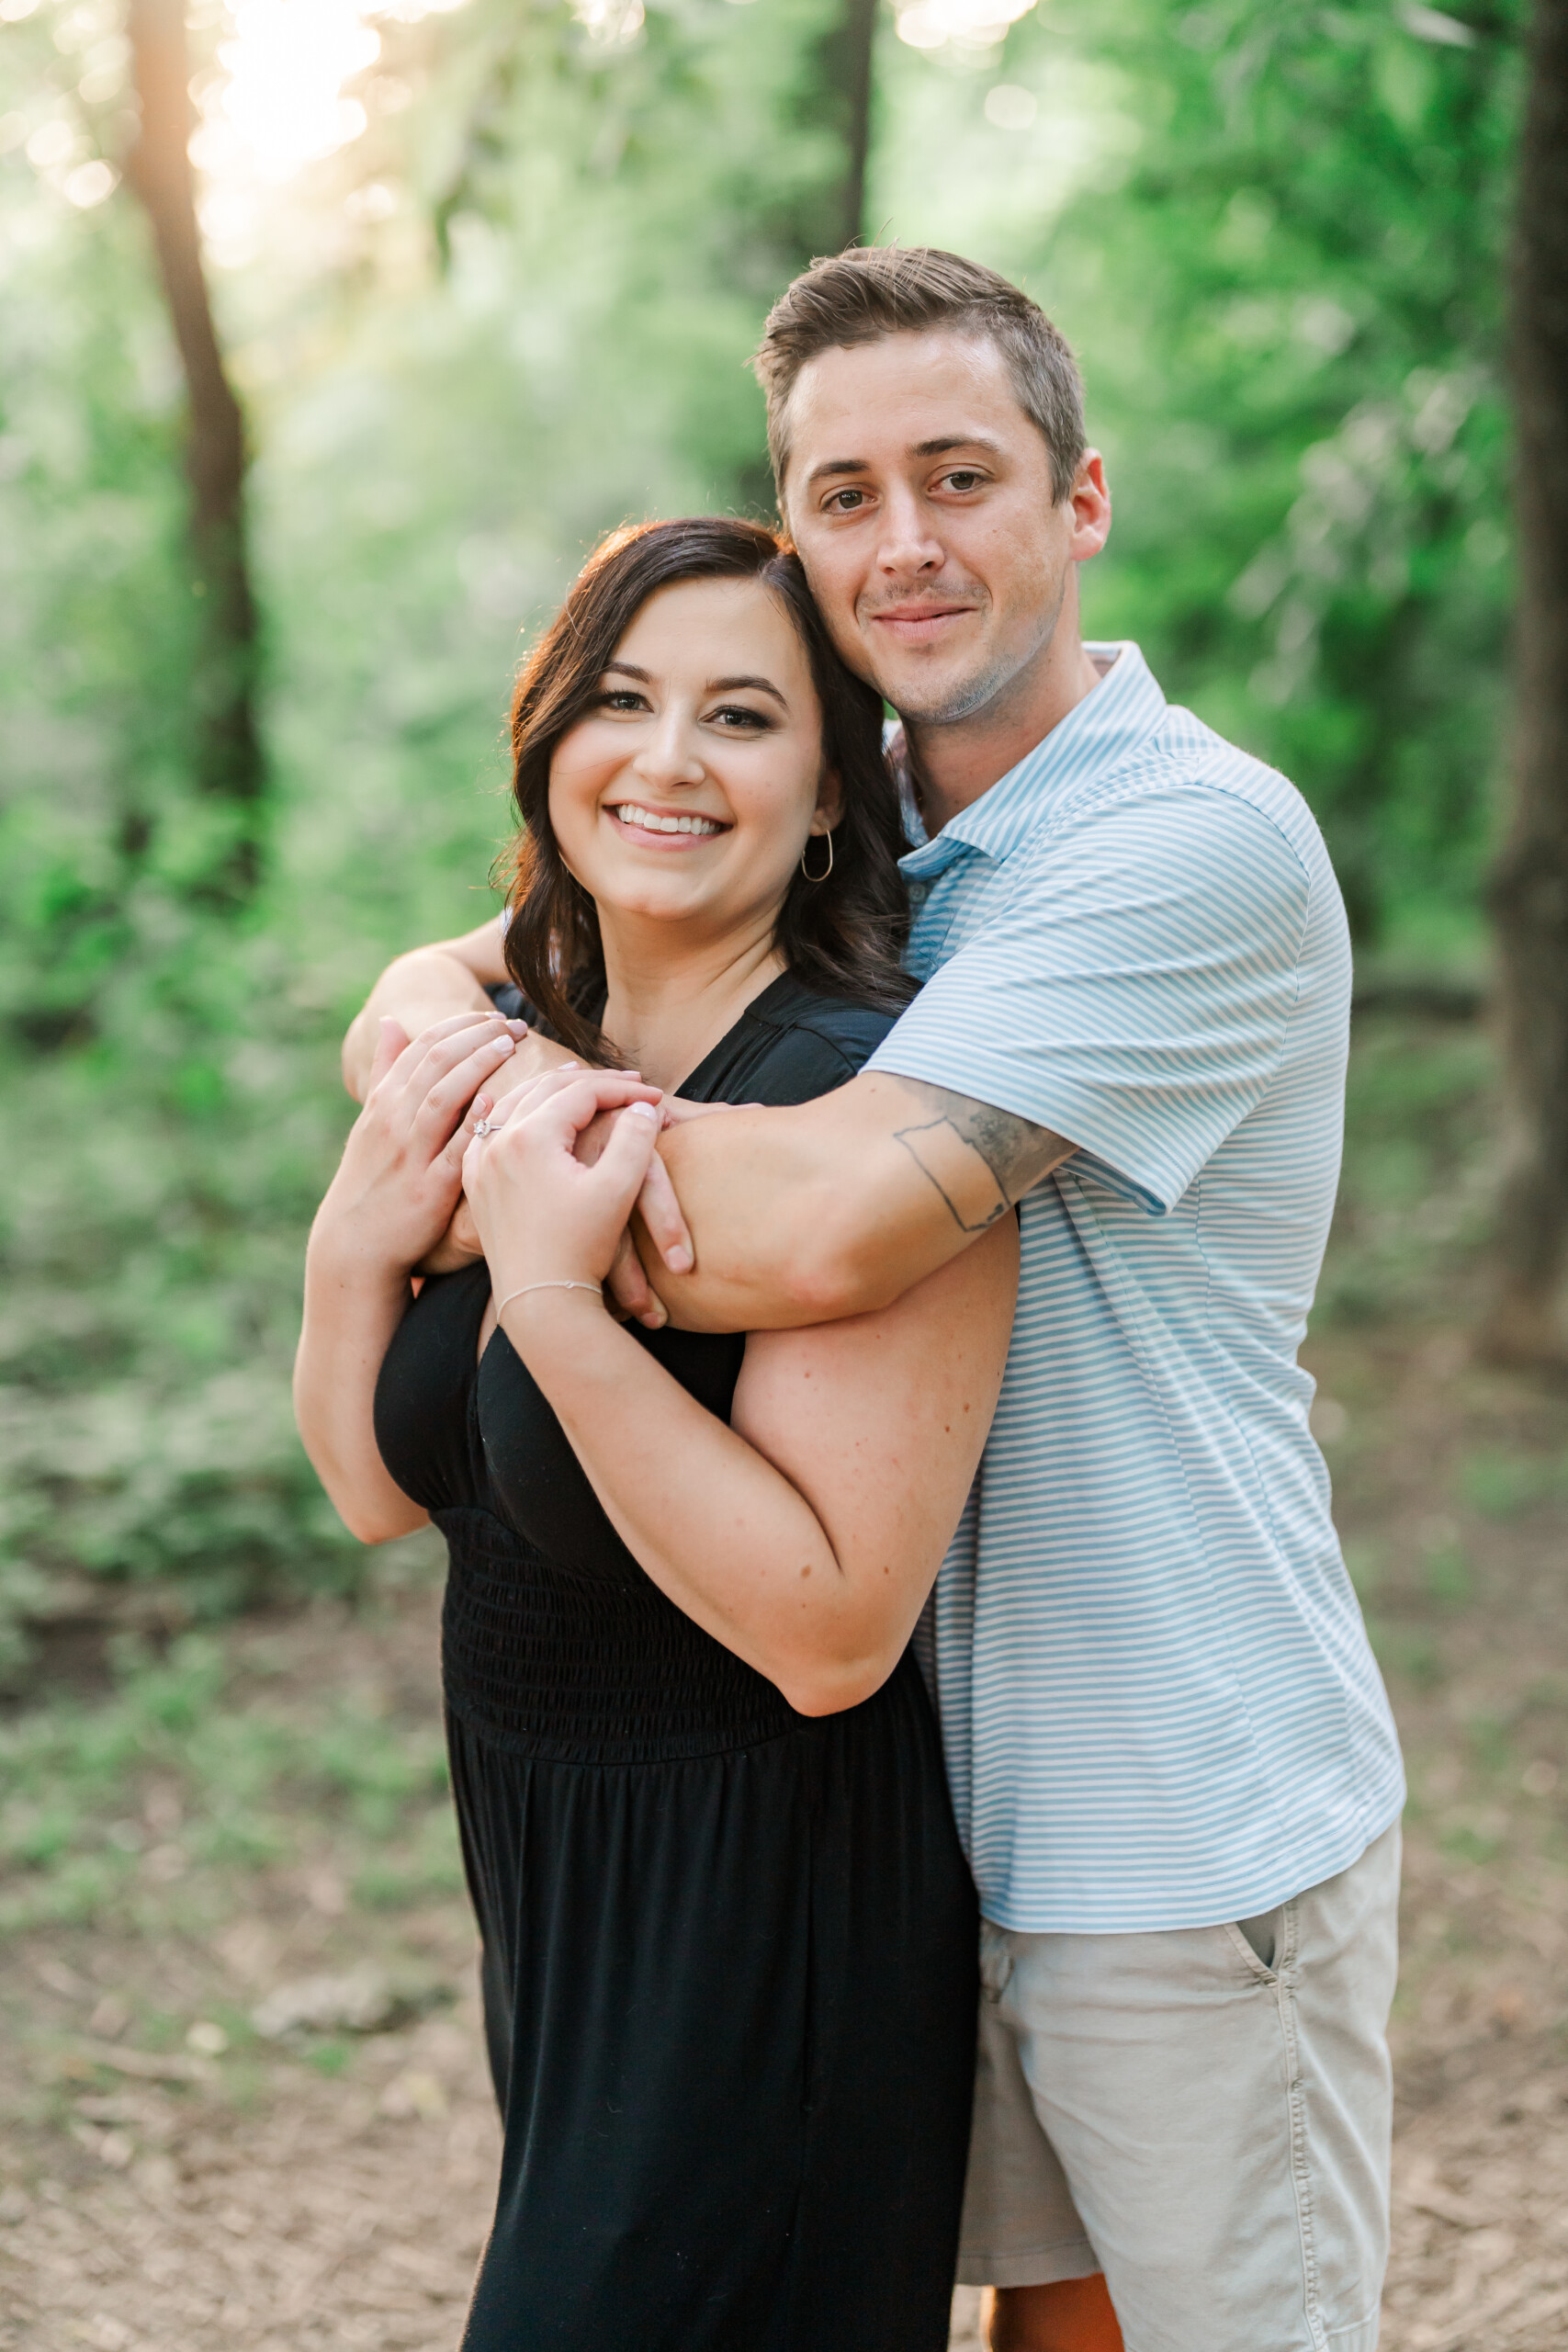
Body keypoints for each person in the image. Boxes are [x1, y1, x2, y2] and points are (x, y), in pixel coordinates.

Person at [350, 248, 1407, 2352]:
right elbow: (460, 973)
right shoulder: (871, 834)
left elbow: (830, 1222)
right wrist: (426, 1048)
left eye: (957, 475)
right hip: (918, 1815)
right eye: (840, 493)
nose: (898, 542)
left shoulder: (1182, 843)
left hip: (1171, 1797)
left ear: (1077, 499)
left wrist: (487, 1177)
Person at [297, 515, 1019, 2352]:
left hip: (759, 1895)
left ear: (832, 796)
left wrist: (546, 1295)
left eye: (743, 714)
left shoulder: (862, 1100)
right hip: (553, 1878)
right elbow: (382, 1492)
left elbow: (831, 1625)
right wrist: (349, 1251)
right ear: (548, 742)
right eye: (621, 697)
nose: (669, 757)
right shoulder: (506, 1039)